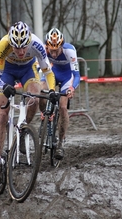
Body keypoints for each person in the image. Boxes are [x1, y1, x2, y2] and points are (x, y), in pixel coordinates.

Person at [0, 21, 56, 184]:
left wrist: (53, 90)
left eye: (23, 47)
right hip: (7, 71)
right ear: (10, 43)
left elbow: (48, 72)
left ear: (28, 42)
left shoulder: (37, 44)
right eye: (16, 47)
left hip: (28, 69)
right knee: (3, 112)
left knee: (35, 96)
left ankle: (23, 128)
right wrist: (4, 86)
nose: (20, 51)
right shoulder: (3, 44)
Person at [39, 28, 80, 160]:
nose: (54, 53)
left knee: (63, 107)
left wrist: (72, 88)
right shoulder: (44, 50)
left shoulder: (70, 51)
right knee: (41, 90)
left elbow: (76, 75)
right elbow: (39, 69)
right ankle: (44, 116)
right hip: (52, 73)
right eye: (52, 50)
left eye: (57, 50)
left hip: (67, 77)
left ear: (62, 46)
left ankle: (61, 143)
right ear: (47, 47)